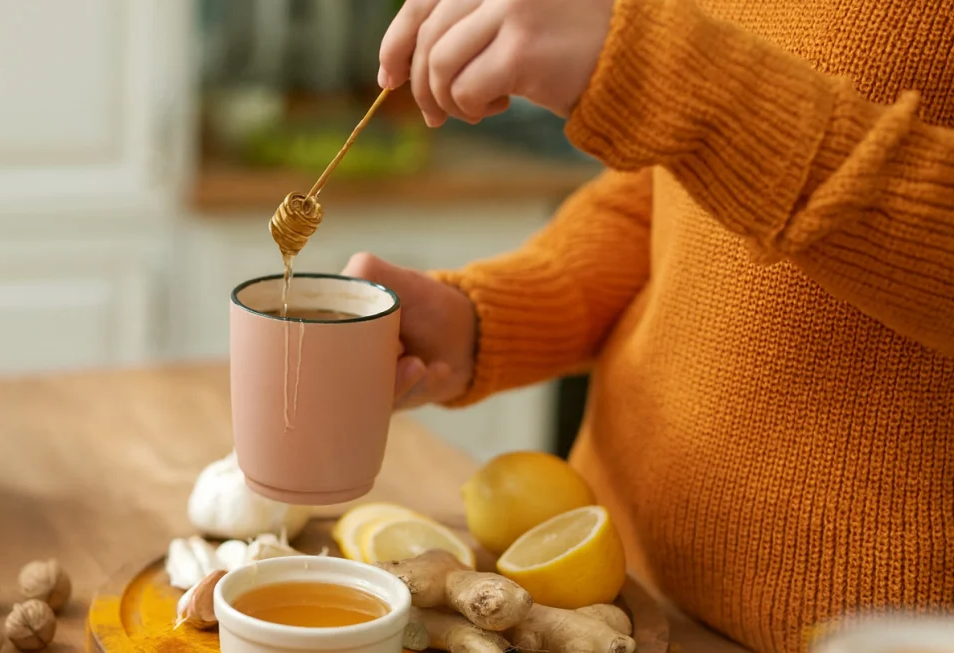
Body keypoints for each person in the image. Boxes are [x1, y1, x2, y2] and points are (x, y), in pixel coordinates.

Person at [340, 0, 954, 651]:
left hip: (856, 630)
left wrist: (660, 74)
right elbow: (665, 196)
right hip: (611, 599)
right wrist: (484, 317)